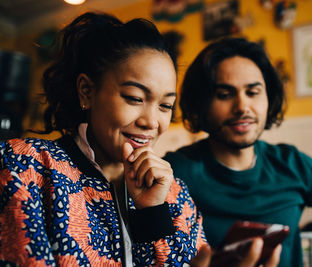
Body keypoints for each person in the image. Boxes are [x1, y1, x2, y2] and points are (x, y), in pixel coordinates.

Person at [0, 12, 282, 267]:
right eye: (135, 98)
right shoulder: (28, 166)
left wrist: (153, 214)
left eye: (165, 106)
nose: (151, 121)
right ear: (86, 91)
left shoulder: (174, 193)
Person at [164, 37, 312, 266]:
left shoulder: (292, 164)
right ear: (201, 103)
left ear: (268, 97)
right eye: (224, 94)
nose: (242, 106)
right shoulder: (175, 173)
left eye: (253, 92)